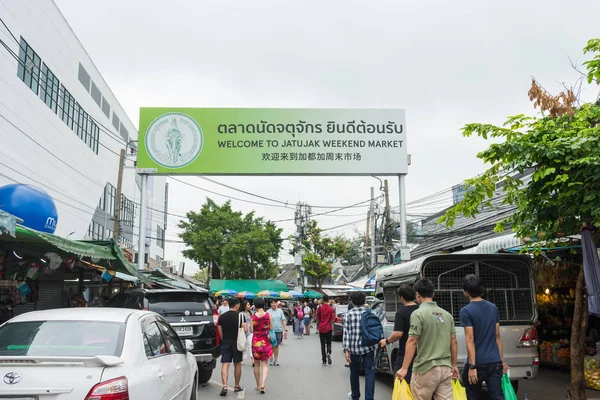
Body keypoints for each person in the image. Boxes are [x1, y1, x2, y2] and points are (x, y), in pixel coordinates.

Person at [396, 279, 459, 400]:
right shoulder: (446, 314)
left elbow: (412, 341)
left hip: (425, 368)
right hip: (445, 368)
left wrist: (404, 368)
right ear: (433, 294)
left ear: (417, 294)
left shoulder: (418, 314)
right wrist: (454, 365)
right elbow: (454, 341)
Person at [460, 274, 509, 400]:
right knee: (497, 395)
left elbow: (470, 339)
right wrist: (502, 360)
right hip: (495, 361)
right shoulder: (493, 307)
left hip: (478, 362)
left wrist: (472, 366)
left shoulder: (466, 311)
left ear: (465, 292)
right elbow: (497, 335)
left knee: (472, 395)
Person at [380, 284, 419, 382]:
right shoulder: (420, 310)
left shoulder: (401, 312)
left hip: (405, 352)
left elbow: (398, 333)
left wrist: (387, 341)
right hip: (421, 352)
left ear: (401, 297)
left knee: (401, 381)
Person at [343, 291, 377, 400]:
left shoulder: (348, 315)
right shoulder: (371, 313)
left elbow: (346, 333)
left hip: (354, 349)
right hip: (368, 347)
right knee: (369, 372)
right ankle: (369, 398)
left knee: (354, 372)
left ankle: (355, 395)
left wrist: (346, 350)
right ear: (364, 301)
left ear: (352, 301)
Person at [217, 297, 247, 396]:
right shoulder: (241, 316)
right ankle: (237, 385)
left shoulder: (221, 316)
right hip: (237, 342)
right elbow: (246, 330)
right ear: (237, 305)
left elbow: (220, 332)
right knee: (237, 363)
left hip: (225, 341)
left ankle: (224, 386)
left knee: (225, 363)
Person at [251, 297, 273, 394]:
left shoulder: (253, 317)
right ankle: (263, 384)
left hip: (256, 342)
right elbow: (271, 327)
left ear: (255, 305)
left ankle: (258, 385)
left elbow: (251, 330)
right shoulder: (268, 315)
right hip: (265, 341)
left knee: (256, 364)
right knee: (265, 364)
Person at [267, 300, 287, 366]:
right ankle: (271, 358)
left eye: (275, 303)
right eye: (272, 303)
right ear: (270, 304)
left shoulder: (280, 311)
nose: (273, 304)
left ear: (277, 303)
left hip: (279, 330)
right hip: (271, 331)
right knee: (271, 345)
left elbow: (283, 320)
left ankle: (276, 359)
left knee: (276, 346)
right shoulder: (268, 312)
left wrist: (285, 329)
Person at [316, 294, 335, 366]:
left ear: (323, 300)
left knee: (322, 344)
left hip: (321, 328)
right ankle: (329, 352)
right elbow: (333, 319)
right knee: (329, 342)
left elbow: (317, 318)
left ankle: (324, 360)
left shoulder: (319, 308)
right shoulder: (331, 309)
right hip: (328, 328)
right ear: (328, 300)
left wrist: (318, 326)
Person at [240, 300, 254, 366]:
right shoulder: (240, 314)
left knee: (250, 345)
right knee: (242, 345)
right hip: (242, 332)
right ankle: (241, 359)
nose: (249, 306)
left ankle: (252, 359)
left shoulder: (251, 313)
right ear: (244, 306)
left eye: (249, 305)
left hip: (250, 331)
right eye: (248, 305)